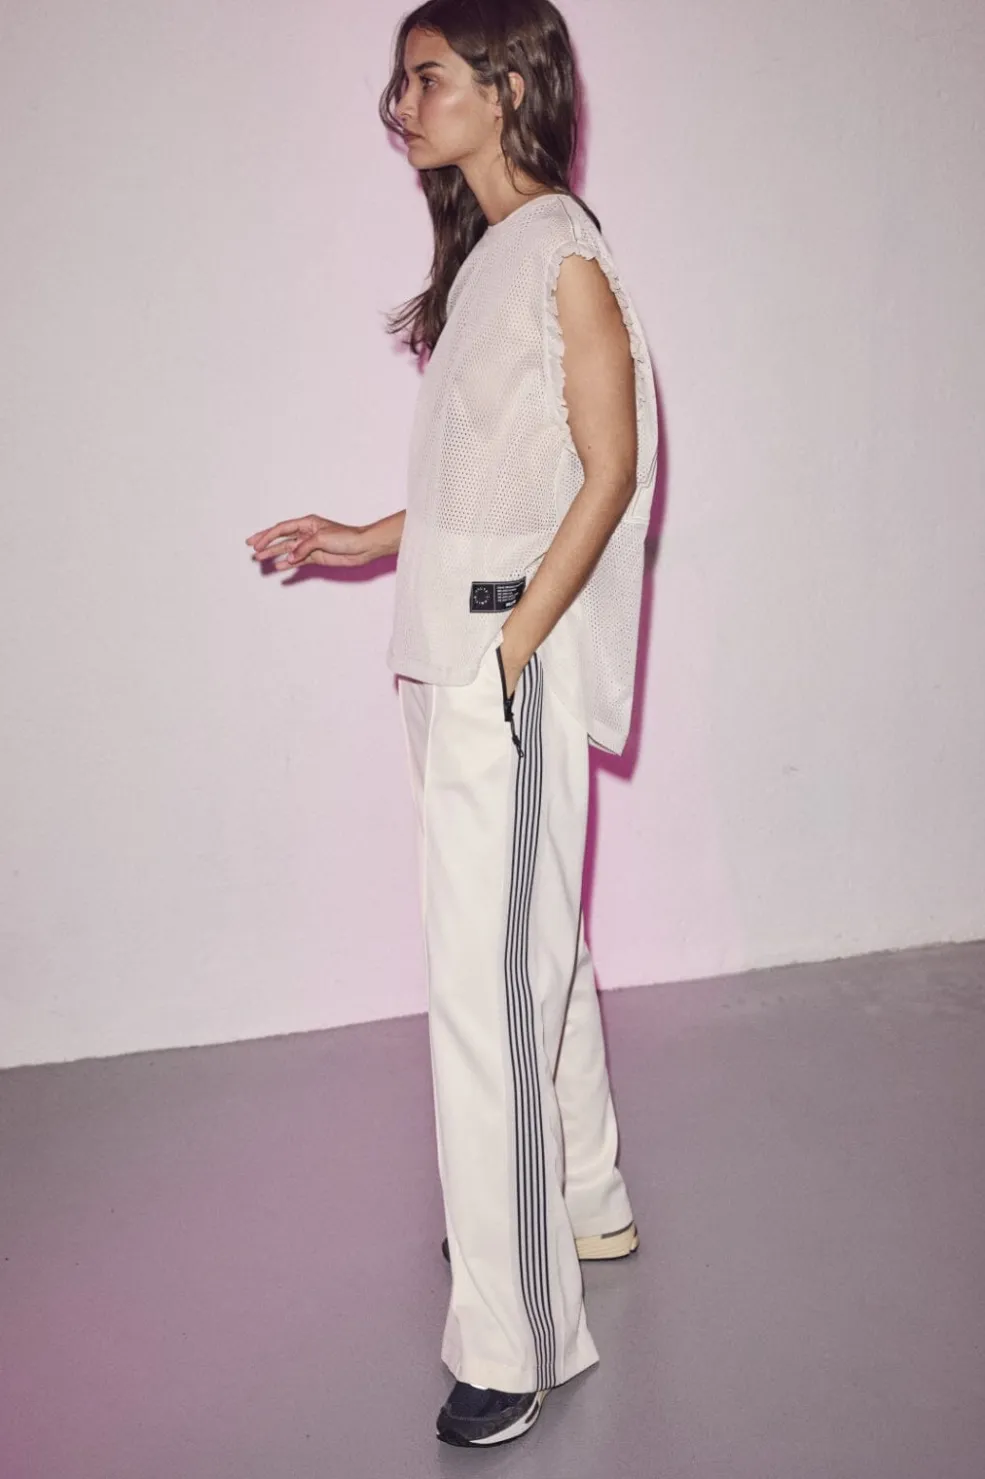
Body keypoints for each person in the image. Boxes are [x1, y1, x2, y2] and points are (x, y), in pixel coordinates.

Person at [246, 0, 658, 1449]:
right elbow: (497, 486)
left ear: (507, 85)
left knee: (485, 991)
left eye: (426, 78)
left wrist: (517, 642)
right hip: (454, 653)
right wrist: (362, 538)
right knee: (532, 947)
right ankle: (585, 1201)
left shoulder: (563, 256)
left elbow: (609, 471)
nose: (400, 104)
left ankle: (521, 1328)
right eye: (399, 81)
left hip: (496, 662)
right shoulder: (494, 256)